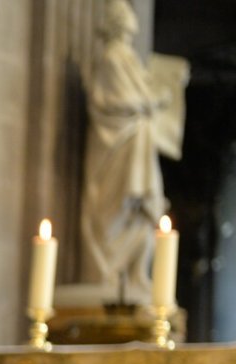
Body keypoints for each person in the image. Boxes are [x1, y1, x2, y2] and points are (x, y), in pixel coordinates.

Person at [79, 0, 188, 302]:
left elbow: (142, 92)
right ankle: (107, 270)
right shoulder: (112, 57)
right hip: (119, 143)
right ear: (117, 25)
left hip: (138, 144)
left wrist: (167, 90)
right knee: (118, 206)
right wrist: (154, 102)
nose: (130, 28)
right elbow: (115, 101)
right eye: (126, 24)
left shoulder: (126, 57)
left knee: (146, 209)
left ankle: (135, 274)